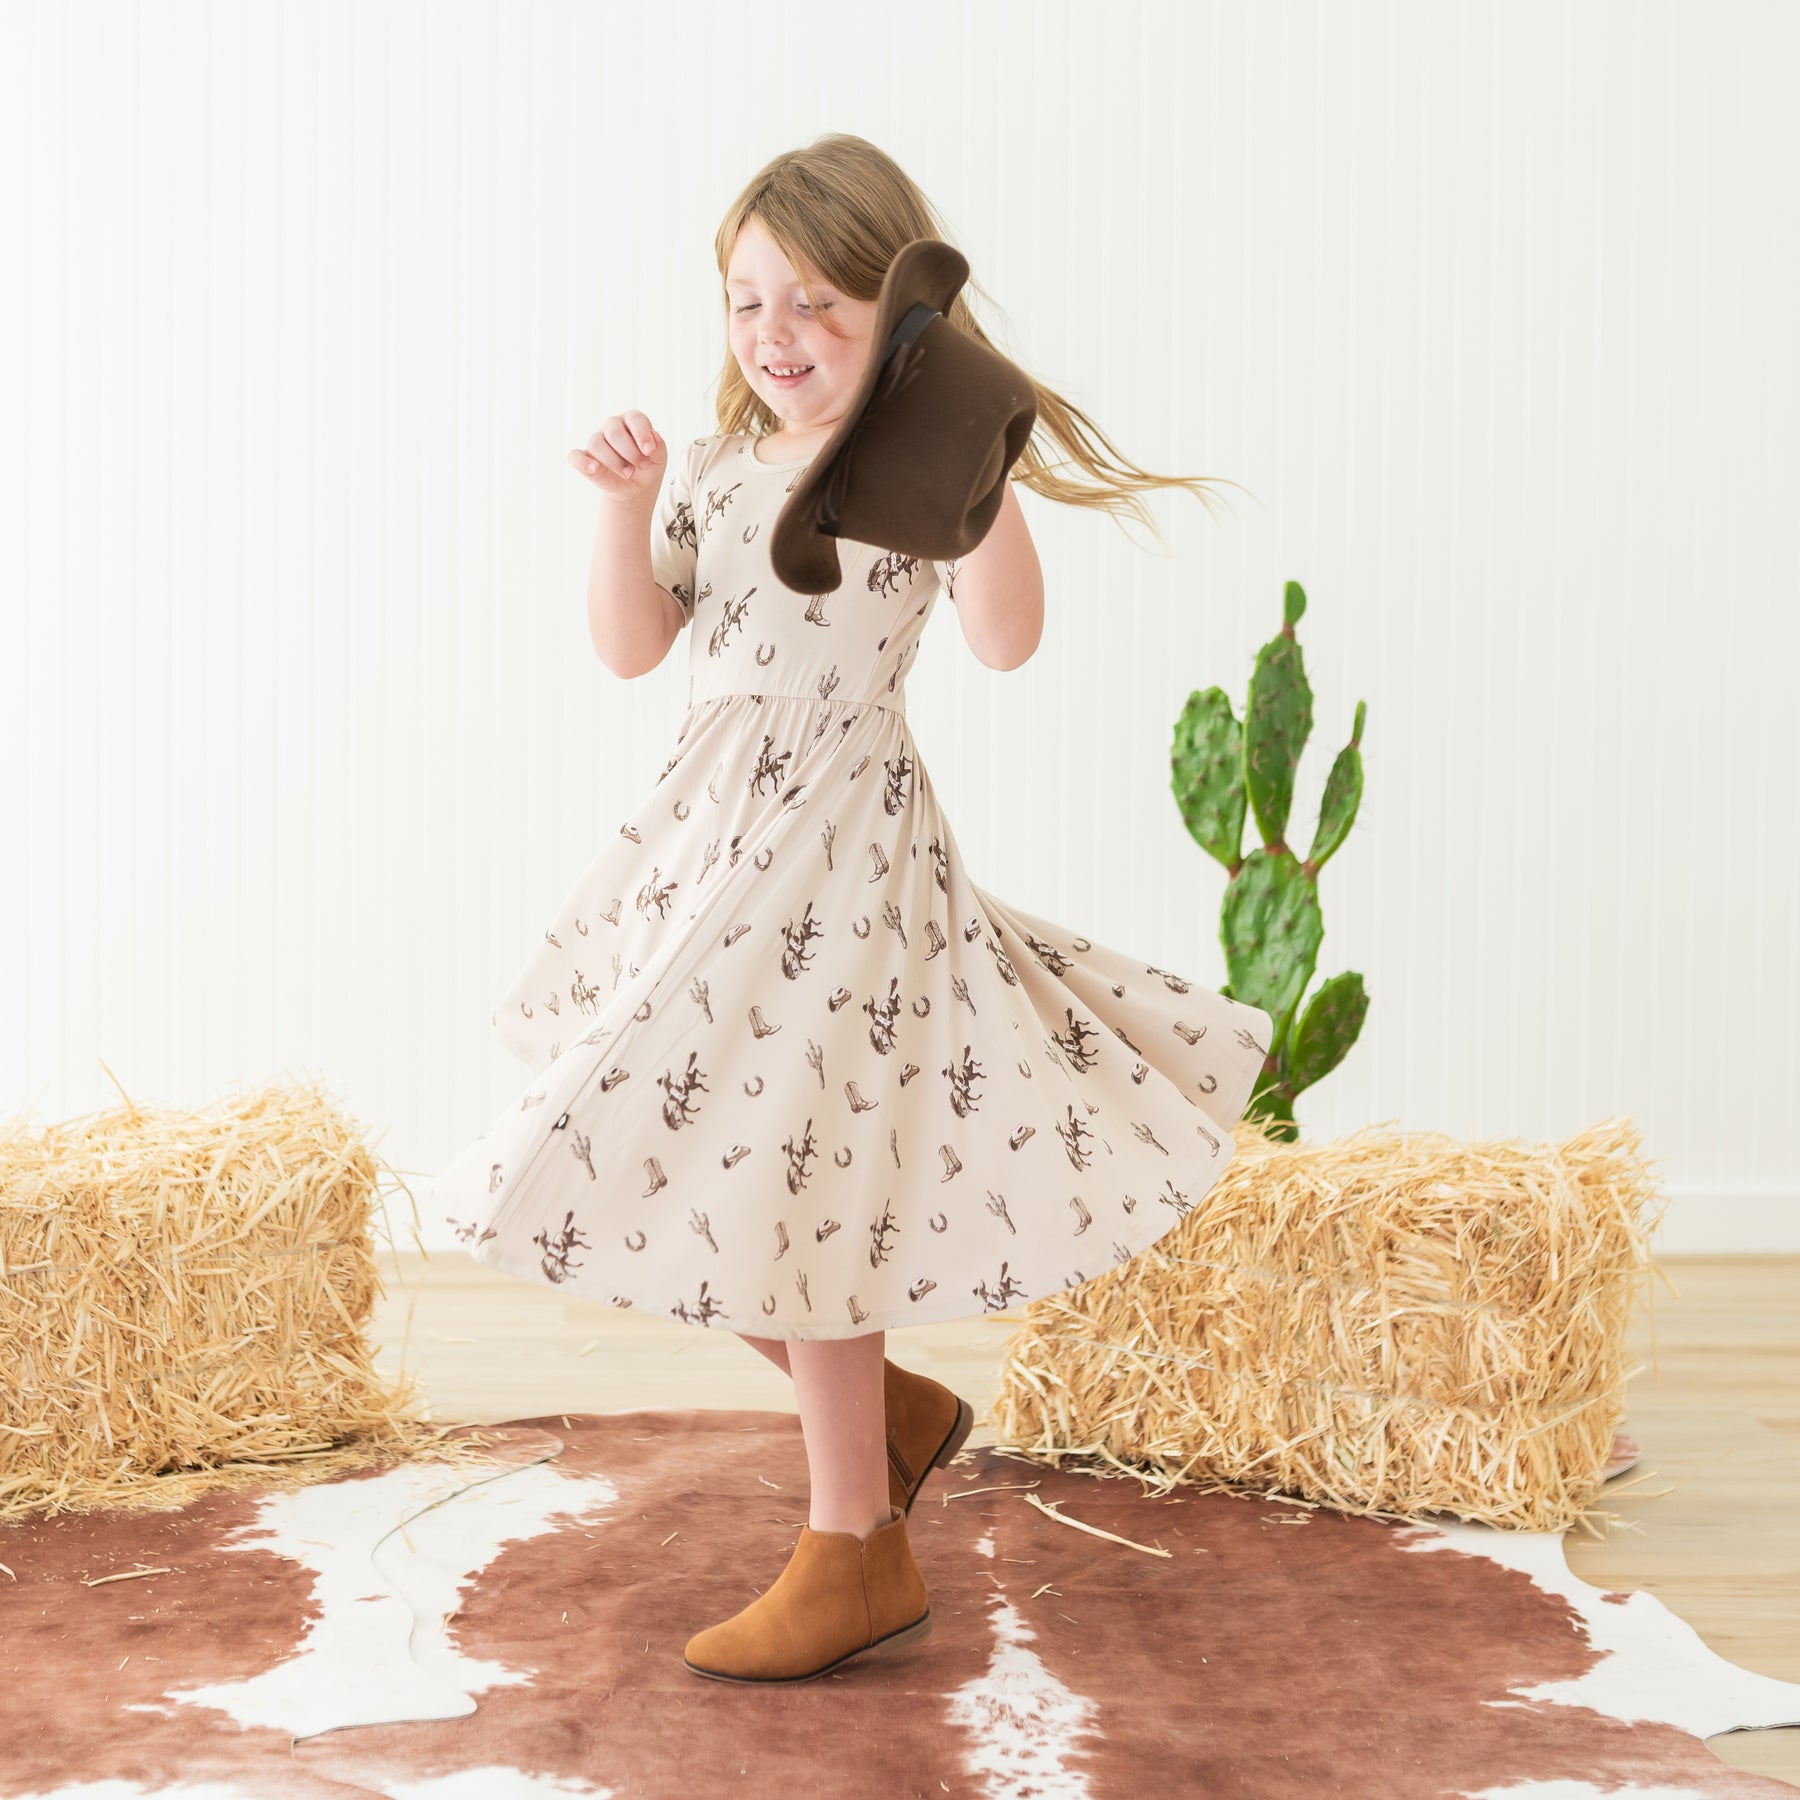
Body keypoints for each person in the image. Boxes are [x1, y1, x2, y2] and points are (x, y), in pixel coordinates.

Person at [430, 132, 1273, 1686]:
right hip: (709, 851)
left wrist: (978, 473)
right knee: (641, 1149)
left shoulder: (905, 476)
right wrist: (623, 506)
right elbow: (633, 647)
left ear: (898, 316)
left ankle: (854, 1543)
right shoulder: (719, 468)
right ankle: (884, 1421)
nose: (776, 333)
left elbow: (1006, 639)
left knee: (791, 1168)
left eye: (816, 301)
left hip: (844, 856)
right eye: (747, 300)